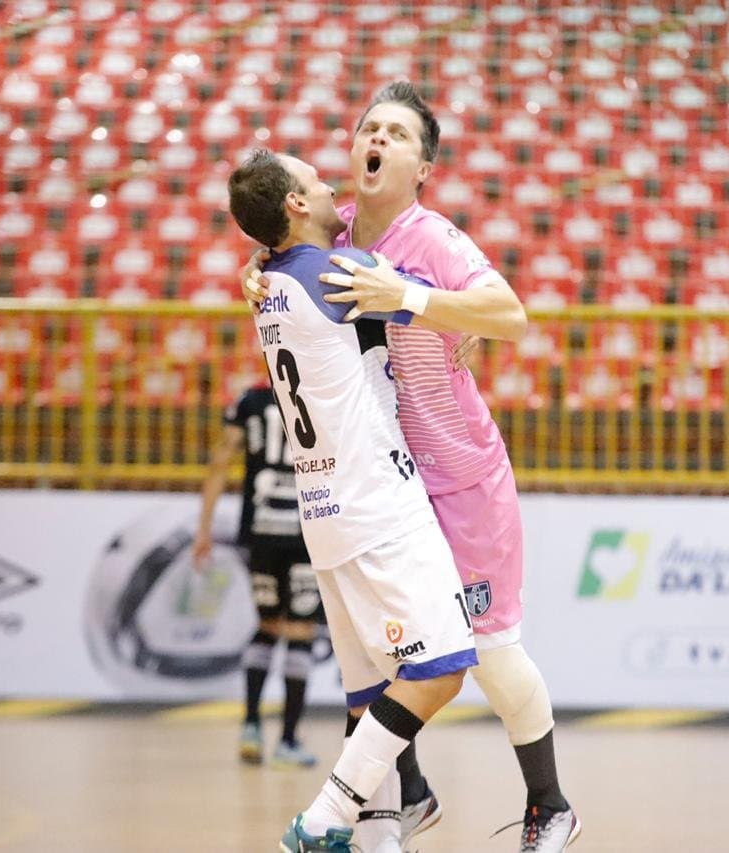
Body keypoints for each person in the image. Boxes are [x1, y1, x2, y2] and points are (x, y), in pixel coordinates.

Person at [243, 81, 580, 851]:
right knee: (393, 650)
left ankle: (550, 803)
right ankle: (408, 797)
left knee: (488, 657)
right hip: (394, 483)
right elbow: (281, 245)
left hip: (460, 475)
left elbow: (511, 315)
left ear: (422, 165)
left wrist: (418, 300)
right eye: (370, 127)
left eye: (397, 132)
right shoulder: (340, 229)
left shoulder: (434, 238)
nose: (378, 138)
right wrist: (256, 269)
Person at [228, 148, 477, 853]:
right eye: (314, 180)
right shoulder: (335, 274)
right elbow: (435, 291)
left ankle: (378, 834)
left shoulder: (274, 277)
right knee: (442, 666)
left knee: (371, 692)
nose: (331, 183)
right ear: (295, 206)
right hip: (376, 500)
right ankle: (324, 816)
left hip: (326, 511)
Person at [193, 382, 321, 768]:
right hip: (306, 530)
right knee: (300, 631)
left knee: (266, 623)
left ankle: (250, 725)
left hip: (261, 531)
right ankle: (287, 740)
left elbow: (220, 459)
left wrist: (204, 528)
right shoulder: (318, 392)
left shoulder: (250, 401)